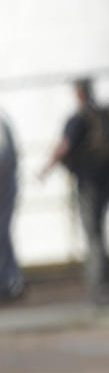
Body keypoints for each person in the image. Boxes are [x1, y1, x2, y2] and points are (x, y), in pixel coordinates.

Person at [38, 77, 109, 301]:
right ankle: (106, 278)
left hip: (89, 183)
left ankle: (99, 283)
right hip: (107, 182)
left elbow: (64, 147)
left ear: (78, 93)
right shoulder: (103, 115)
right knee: (99, 228)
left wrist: (45, 171)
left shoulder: (79, 119)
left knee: (93, 231)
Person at [0, 112, 24, 301]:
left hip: (4, 191)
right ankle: (10, 282)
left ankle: (10, 283)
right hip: (5, 188)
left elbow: (5, 159)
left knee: (2, 235)